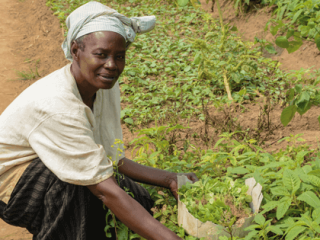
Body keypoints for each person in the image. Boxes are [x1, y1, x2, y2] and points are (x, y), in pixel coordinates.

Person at [0, 1, 198, 239]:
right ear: (75, 51)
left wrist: (170, 179)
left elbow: (112, 159)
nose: (112, 65)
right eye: (101, 55)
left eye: (119, 56)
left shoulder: (103, 87)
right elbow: (103, 189)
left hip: (46, 161)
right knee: (78, 188)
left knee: (140, 200)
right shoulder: (58, 105)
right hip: (10, 184)